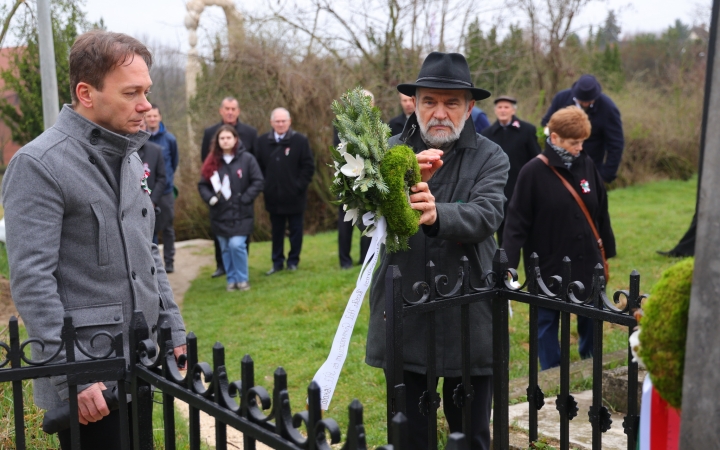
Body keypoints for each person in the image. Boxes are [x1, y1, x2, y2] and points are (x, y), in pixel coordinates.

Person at [1, 30, 186, 449]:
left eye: (147, 91)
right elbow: (32, 281)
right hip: (89, 383)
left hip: (139, 360)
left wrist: (173, 331)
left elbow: (148, 254)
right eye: (131, 93)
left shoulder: (129, 155)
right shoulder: (38, 164)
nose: (146, 105)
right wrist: (76, 374)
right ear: (86, 93)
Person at [365, 52, 509, 450]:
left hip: (470, 312)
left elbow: (486, 214)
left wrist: (435, 213)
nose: (440, 112)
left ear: (469, 107)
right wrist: (397, 179)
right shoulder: (388, 152)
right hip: (405, 309)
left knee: (473, 435)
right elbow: (362, 216)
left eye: (451, 103)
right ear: (415, 103)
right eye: (430, 100)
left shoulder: (490, 156)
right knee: (411, 436)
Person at [503, 106, 616, 370]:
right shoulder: (532, 172)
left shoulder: (587, 163)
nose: (579, 147)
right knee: (546, 320)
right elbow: (516, 222)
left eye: (582, 142)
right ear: (554, 139)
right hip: (549, 262)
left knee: (592, 315)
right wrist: (507, 263)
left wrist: (606, 251)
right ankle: (551, 372)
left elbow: (601, 210)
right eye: (574, 142)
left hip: (588, 259)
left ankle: (589, 362)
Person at [198, 125, 264, 292]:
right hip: (220, 214)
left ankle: (242, 279)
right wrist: (211, 198)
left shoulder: (247, 159)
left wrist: (246, 198)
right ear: (218, 141)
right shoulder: (212, 161)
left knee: (236, 245)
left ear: (235, 139)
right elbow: (202, 185)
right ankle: (232, 280)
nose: (225, 141)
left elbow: (258, 181)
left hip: (242, 213)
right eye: (222, 138)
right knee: (226, 248)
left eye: (229, 137)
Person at [254, 108, 315, 275]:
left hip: (295, 197)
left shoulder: (300, 141)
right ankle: (277, 262)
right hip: (273, 197)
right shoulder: (262, 142)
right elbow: (257, 168)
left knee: (296, 231)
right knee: (277, 232)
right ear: (271, 123)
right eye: (277, 121)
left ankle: (293, 261)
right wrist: (266, 186)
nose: (280, 124)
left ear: (289, 122)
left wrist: (298, 186)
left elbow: (308, 167)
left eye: (283, 121)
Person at [541, 74, 624, 183]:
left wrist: (606, 175)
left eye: (589, 101)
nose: (585, 103)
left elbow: (616, 143)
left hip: (589, 168)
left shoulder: (608, 108)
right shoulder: (561, 98)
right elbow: (546, 123)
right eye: (582, 100)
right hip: (558, 166)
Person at [481, 95, 541, 245]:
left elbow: (536, 159)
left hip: (522, 188)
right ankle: (504, 265)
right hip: (499, 190)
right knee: (503, 232)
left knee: (528, 229)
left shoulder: (527, 130)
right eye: (500, 107)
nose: (503, 110)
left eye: (506, 107)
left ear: (513, 110)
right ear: (495, 110)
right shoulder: (487, 134)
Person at [337, 89, 373, 268]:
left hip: (369, 181)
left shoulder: (377, 126)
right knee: (345, 221)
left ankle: (364, 258)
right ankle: (344, 260)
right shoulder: (342, 126)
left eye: (366, 101)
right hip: (347, 179)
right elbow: (338, 152)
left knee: (367, 219)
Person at [145, 104, 178, 272]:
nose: (152, 119)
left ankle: (170, 262)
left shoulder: (169, 139)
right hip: (146, 192)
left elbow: (174, 162)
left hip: (165, 191)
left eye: (154, 116)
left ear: (160, 117)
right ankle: (154, 265)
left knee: (167, 227)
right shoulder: (141, 138)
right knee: (151, 229)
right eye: (149, 116)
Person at [138, 118, 167, 237]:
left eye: (142, 125)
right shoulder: (122, 150)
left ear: (146, 127)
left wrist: (152, 201)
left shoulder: (155, 150)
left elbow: (162, 178)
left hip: (150, 207)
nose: (139, 129)